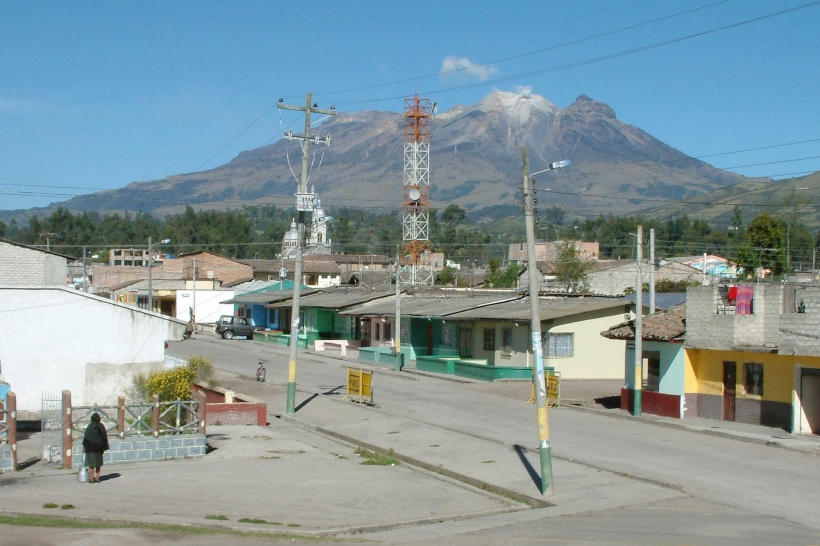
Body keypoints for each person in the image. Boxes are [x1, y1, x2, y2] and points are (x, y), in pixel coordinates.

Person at [82, 413, 109, 483]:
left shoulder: (90, 426)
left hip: (90, 447)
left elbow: (86, 438)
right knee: (98, 464)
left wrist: (84, 447)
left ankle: (91, 478)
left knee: (91, 464)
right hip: (99, 448)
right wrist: (104, 447)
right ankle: (97, 478)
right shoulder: (101, 426)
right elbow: (104, 437)